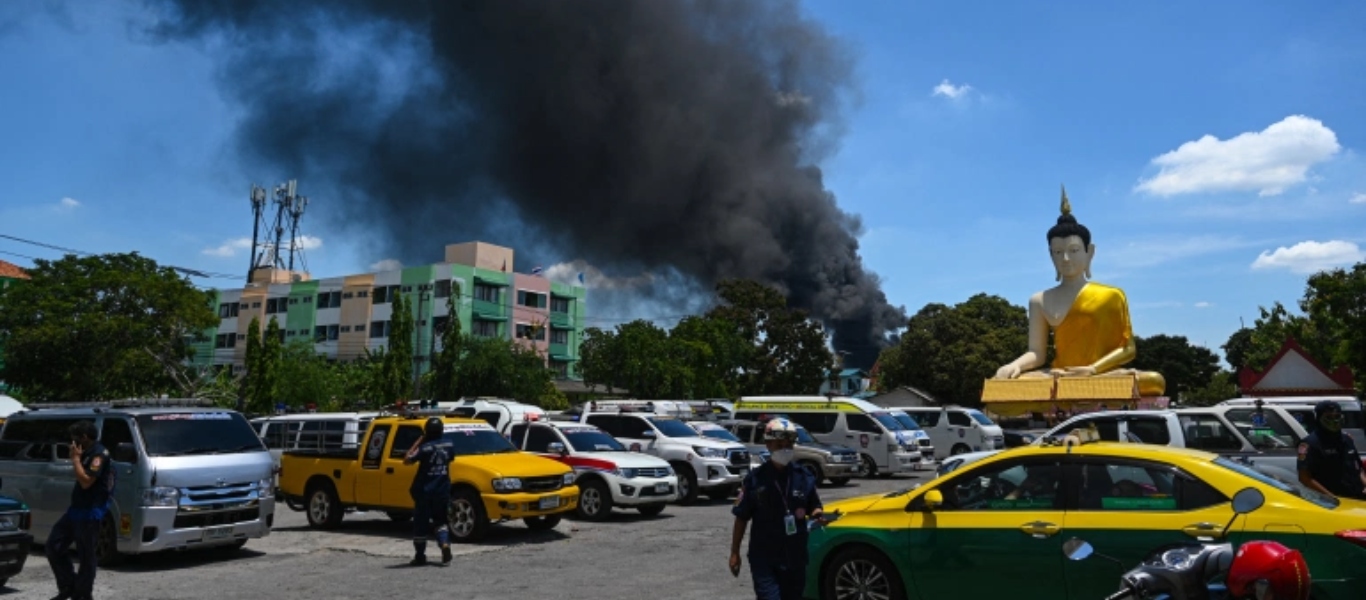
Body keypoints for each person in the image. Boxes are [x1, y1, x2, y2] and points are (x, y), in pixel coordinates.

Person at [992, 187, 1165, 397]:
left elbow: (1128, 349)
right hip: (1060, 375)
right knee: (1005, 383)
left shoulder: (1111, 295)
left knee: (1154, 381)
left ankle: (1082, 383)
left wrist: (1093, 369)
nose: (1065, 259)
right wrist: (1014, 366)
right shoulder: (1039, 300)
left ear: (1089, 252)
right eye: (1058, 252)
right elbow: (1037, 353)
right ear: (1051, 256)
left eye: (1073, 251)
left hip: (1102, 374)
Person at [729, 418, 828, 600]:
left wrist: (818, 515)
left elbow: (814, 506)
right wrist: (734, 552)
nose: (785, 448)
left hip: (795, 556)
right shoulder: (755, 480)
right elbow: (741, 517)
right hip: (764, 557)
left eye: (789, 444)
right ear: (768, 444)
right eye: (780, 444)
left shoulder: (803, 476)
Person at [47, 421, 113, 600]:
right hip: (76, 510)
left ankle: (82, 595)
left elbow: (86, 482)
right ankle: (68, 586)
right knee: (54, 546)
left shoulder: (99, 455)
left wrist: (75, 460)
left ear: (84, 437)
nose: (72, 443)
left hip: (90, 513)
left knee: (86, 556)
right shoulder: (87, 453)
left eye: (75, 439)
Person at [403, 417, 456, 566]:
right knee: (441, 521)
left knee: (421, 524)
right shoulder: (449, 445)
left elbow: (407, 459)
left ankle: (420, 556)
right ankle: (444, 544)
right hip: (442, 491)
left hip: (424, 492)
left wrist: (419, 441)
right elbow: (450, 458)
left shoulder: (424, 448)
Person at [1297, 401, 1366, 500]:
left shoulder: (1347, 439)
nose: (1334, 421)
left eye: (1337, 416)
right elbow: (1305, 478)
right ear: (1319, 418)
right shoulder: (1310, 444)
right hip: (1331, 503)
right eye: (1329, 417)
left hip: (1356, 500)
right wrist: (1332, 498)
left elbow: (1358, 469)